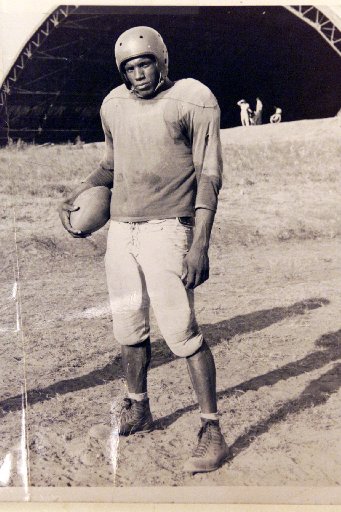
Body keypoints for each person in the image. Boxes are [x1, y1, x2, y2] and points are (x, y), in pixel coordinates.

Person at [58, 26, 229, 474]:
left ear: (161, 60)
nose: (138, 74)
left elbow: (209, 175)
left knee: (181, 330)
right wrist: (77, 193)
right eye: (129, 68)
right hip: (122, 232)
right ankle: (139, 406)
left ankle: (212, 429)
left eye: (144, 63)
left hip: (169, 230)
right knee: (128, 326)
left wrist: (200, 244)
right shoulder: (113, 105)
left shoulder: (192, 99)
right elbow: (112, 166)